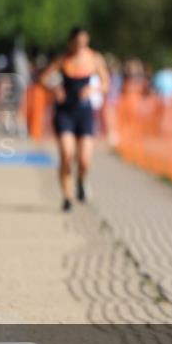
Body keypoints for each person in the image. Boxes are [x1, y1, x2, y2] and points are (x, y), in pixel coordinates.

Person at [39, 27, 110, 211]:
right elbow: (43, 78)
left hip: (84, 113)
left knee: (85, 159)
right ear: (71, 42)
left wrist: (92, 90)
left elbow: (105, 84)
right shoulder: (63, 59)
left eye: (83, 42)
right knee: (67, 154)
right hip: (65, 112)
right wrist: (55, 89)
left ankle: (81, 180)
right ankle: (67, 196)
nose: (80, 46)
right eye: (77, 42)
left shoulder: (95, 59)